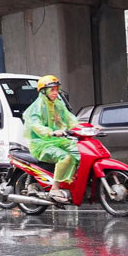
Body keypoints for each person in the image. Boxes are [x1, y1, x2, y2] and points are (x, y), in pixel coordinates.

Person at [23, 75, 79, 203]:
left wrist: (86, 128)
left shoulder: (58, 105)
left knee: (81, 153)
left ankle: (73, 184)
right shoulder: (36, 107)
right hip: (41, 144)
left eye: (56, 89)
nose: (55, 93)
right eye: (52, 90)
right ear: (44, 91)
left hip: (58, 141)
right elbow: (36, 125)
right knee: (65, 157)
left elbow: (71, 120)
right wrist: (51, 132)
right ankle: (55, 188)